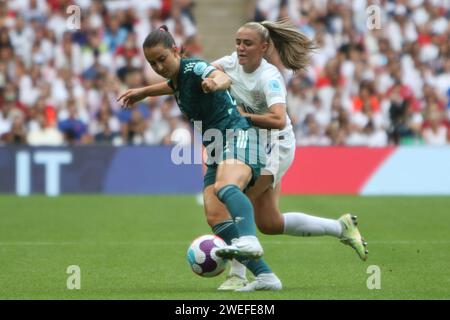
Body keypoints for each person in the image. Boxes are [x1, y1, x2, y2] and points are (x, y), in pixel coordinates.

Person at [117, 25, 282, 292]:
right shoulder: (178, 79)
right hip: (216, 147)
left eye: (162, 59)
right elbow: (172, 85)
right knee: (215, 215)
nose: (158, 66)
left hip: (238, 135)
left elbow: (218, 76)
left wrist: (216, 82)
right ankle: (265, 277)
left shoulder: (194, 68)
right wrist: (144, 92)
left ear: (175, 51)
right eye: (152, 63)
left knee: (226, 187)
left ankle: (250, 239)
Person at [209, 19, 368, 291]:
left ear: (264, 47)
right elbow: (204, 72)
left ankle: (238, 275)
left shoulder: (270, 77)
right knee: (269, 222)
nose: (240, 48)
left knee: (234, 199)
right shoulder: (231, 62)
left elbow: (279, 119)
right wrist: (204, 78)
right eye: (238, 42)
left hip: (276, 145)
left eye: (247, 43)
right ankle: (341, 228)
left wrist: (241, 116)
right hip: (254, 142)